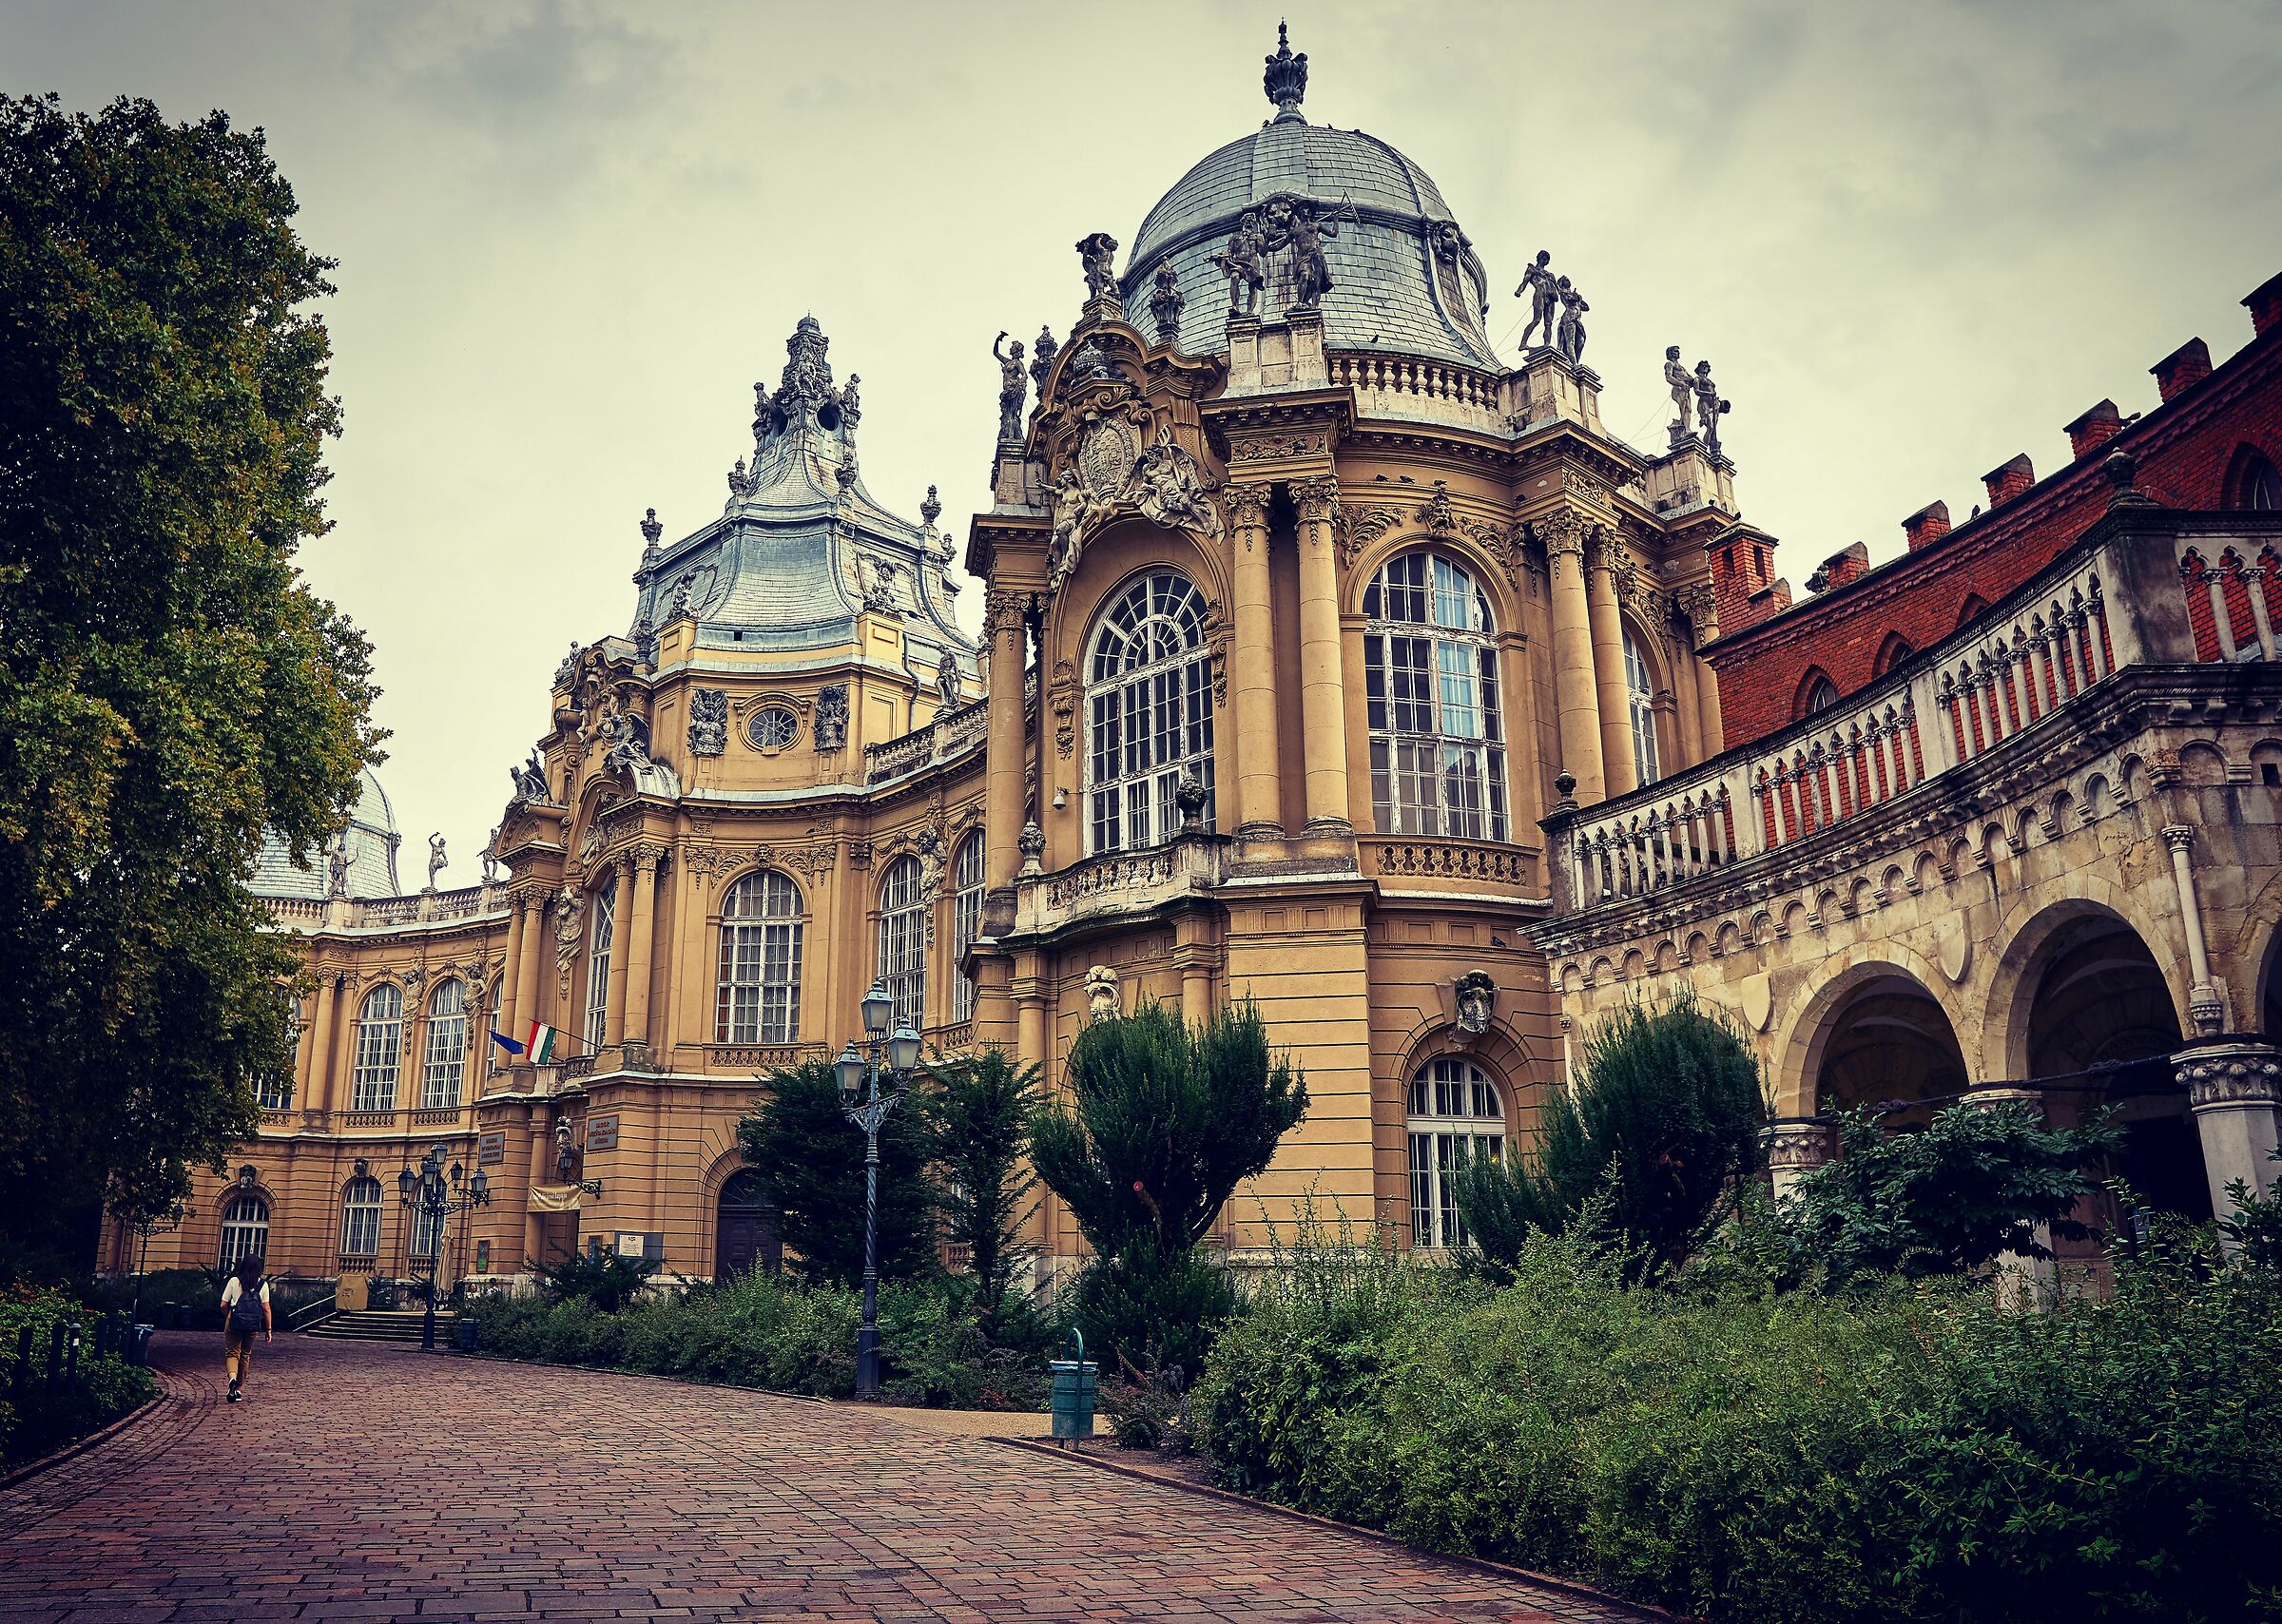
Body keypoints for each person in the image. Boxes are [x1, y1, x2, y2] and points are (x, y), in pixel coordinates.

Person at [219, 1251, 272, 1403]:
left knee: (232, 1353)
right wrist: (268, 1330)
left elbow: (223, 1304)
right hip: (253, 1323)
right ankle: (239, 1389)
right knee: (245, 1354)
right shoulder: (263, 1284)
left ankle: (232, 1379)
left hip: (234, 1320)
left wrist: (229, 1316)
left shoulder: (234, 1281)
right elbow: (266, 1309)